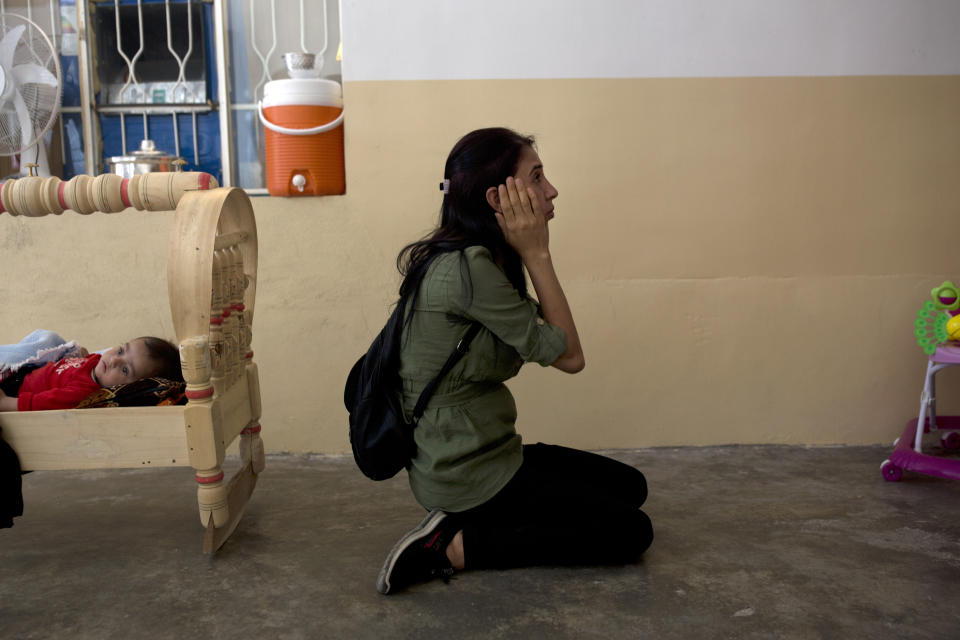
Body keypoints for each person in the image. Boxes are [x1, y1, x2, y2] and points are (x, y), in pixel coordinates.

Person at [376, 127, 653, 595]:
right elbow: (569, 356)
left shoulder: (477, 256)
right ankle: (451, 546)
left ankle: (466, 520)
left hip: (488, 449)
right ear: (497, 196)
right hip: (465, 470)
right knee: (632, 532)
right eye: (537, 177)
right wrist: (537, 252)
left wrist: (525, 252)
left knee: (630, 487)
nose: (552, 190)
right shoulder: (467, 271)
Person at [0, 336, 182, 412]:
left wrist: (5, 403)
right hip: (34, 369)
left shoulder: (83, 391)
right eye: (120, 351)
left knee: (46, 338)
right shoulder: (98, 363)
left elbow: (39, 404)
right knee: (49, 337)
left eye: (125, 370)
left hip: (15, 387)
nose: (114, 361)